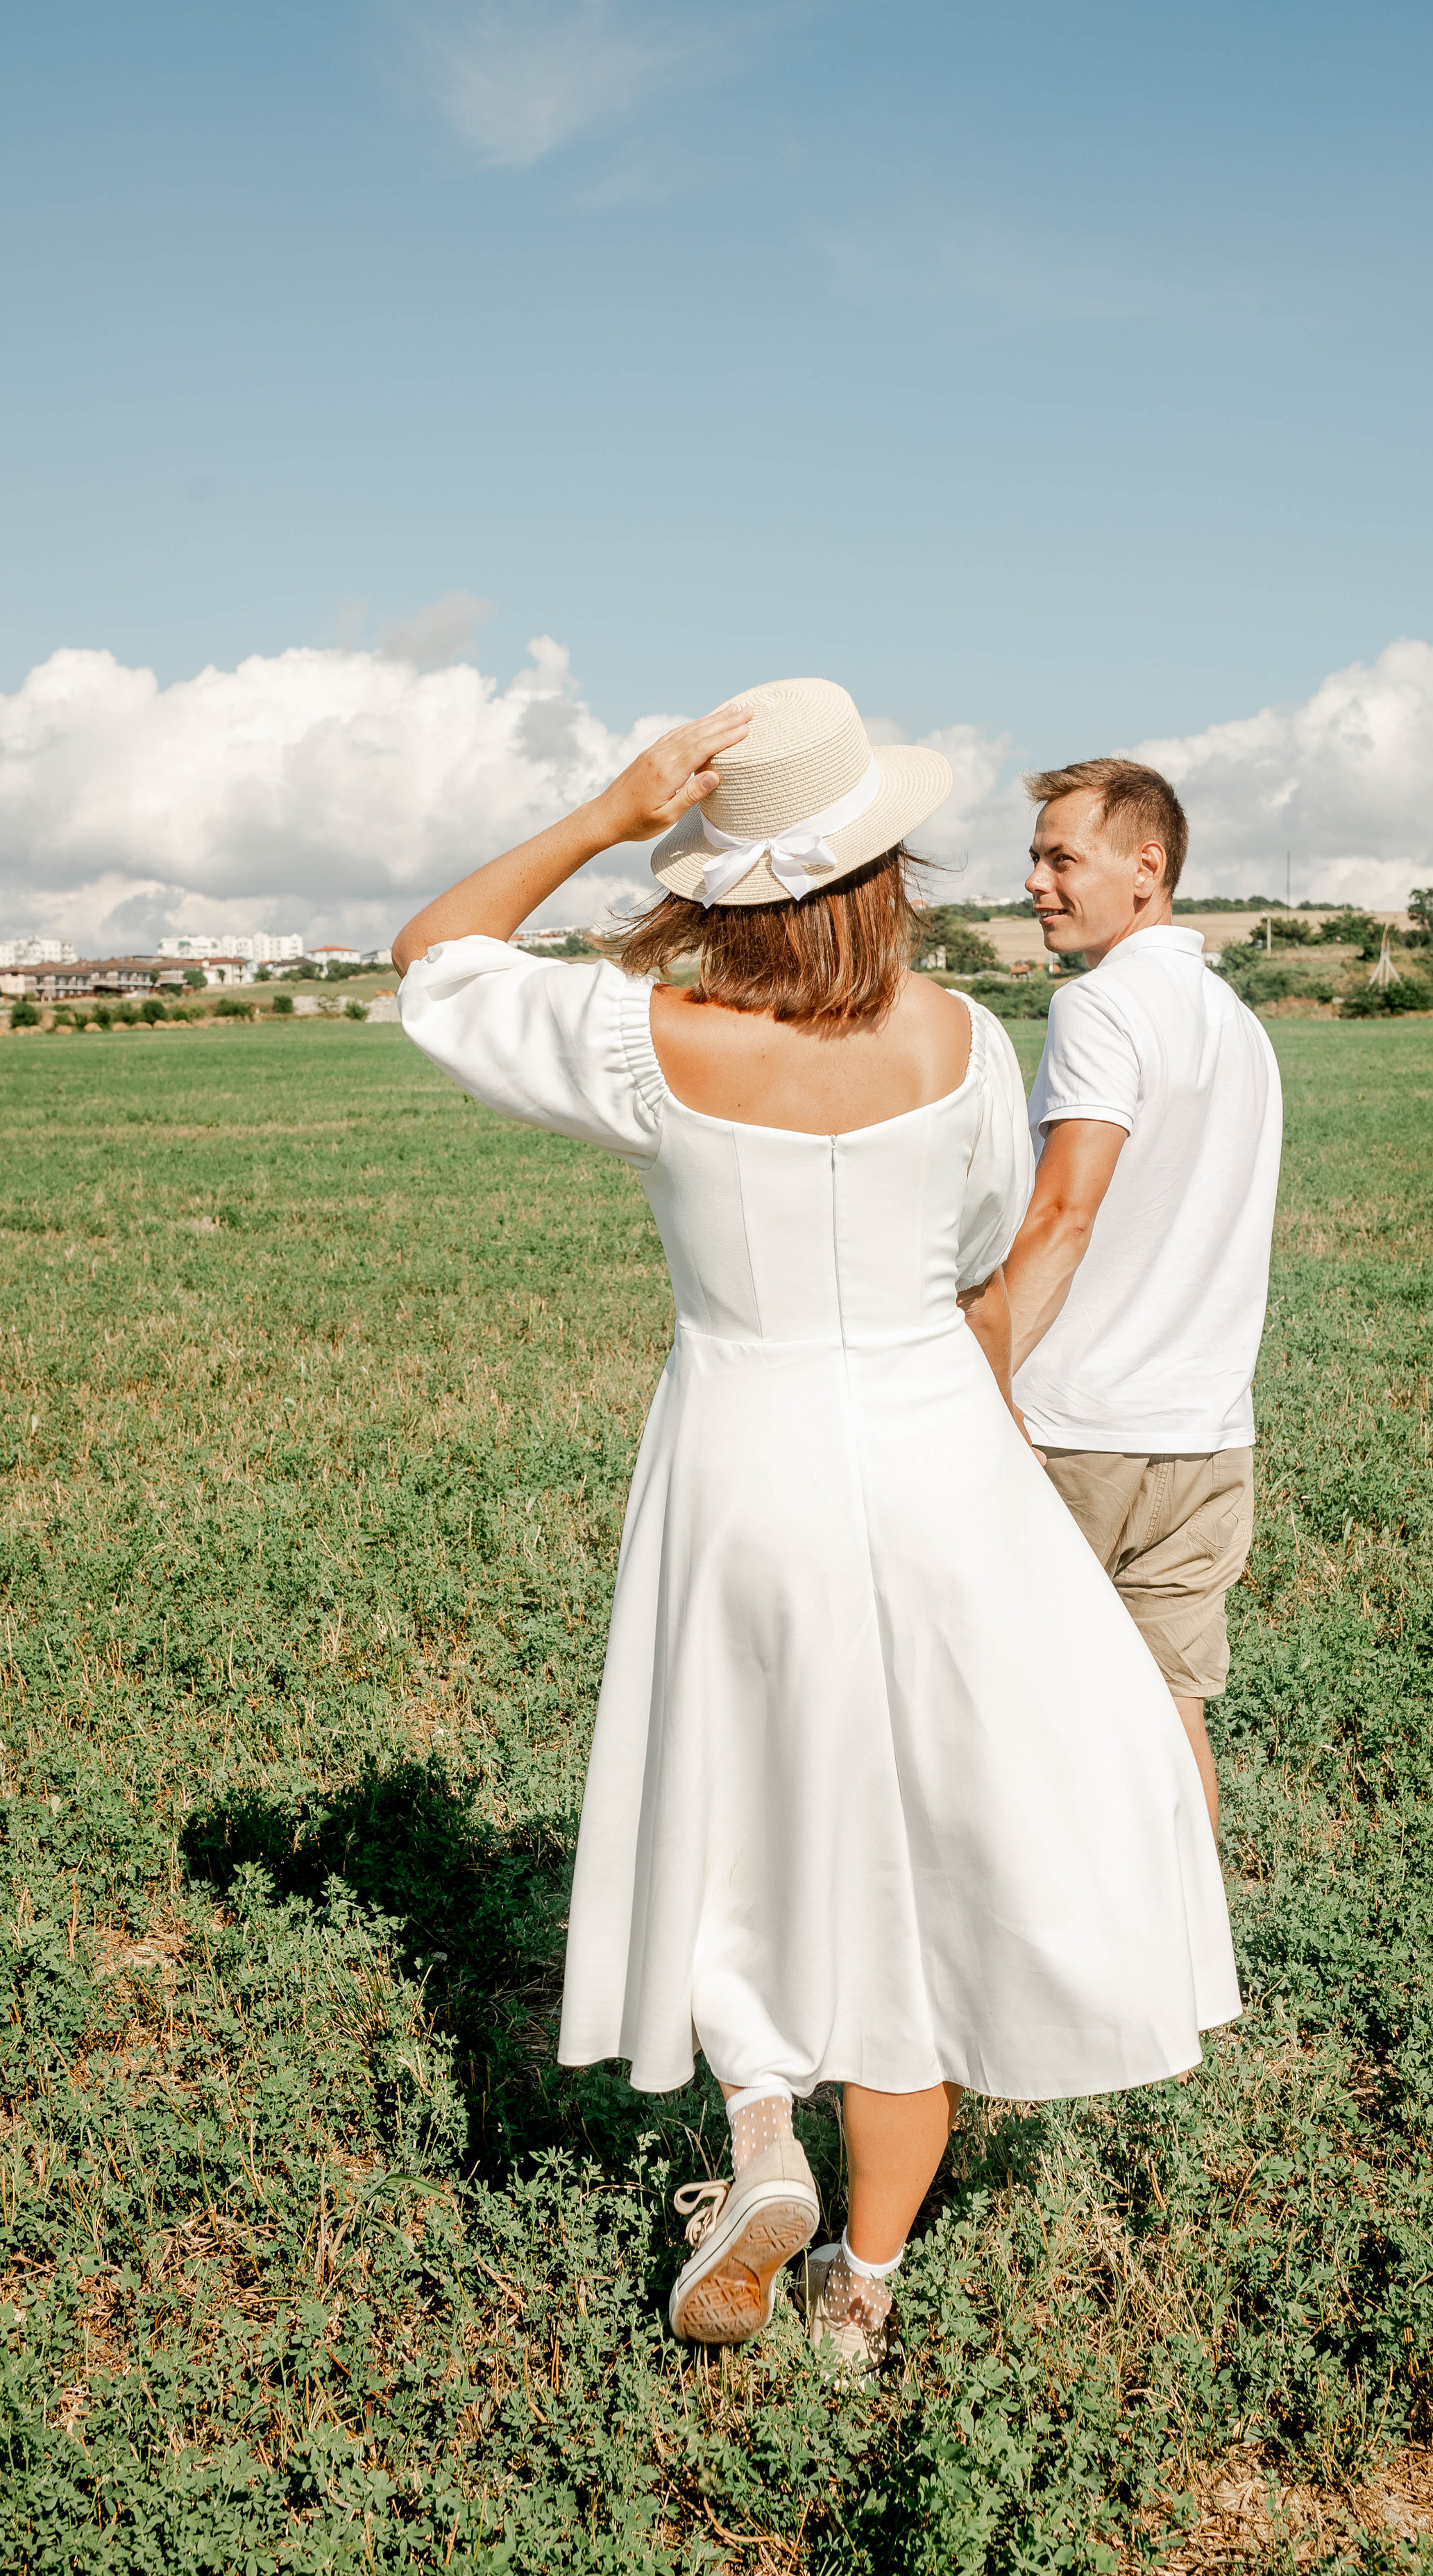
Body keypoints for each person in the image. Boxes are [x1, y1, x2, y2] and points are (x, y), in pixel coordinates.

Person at [392, 683, 1238, 2375]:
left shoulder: (658, 1039)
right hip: (937, 1455)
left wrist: (608, 815)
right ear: (881, 870)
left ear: (726, 880)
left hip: (744, 1453)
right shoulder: (961, 1042)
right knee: (914, 1863)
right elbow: (990, 1231)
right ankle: (862, 2290)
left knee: (738, 1816)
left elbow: (433, 960)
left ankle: (761, 2132)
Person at [1004, 760, 1283, 1835]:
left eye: (1061, 857)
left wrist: (979, 1383)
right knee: (1173, 1727)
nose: (1035, 881)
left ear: (1146, 866)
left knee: (1032, 1728)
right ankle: (1185, 1982)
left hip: (1079, 1433)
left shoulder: (1098, 1008)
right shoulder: (1238, 1026)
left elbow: (1064, 1216)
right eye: (1036, 857)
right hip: (1208, 1439)